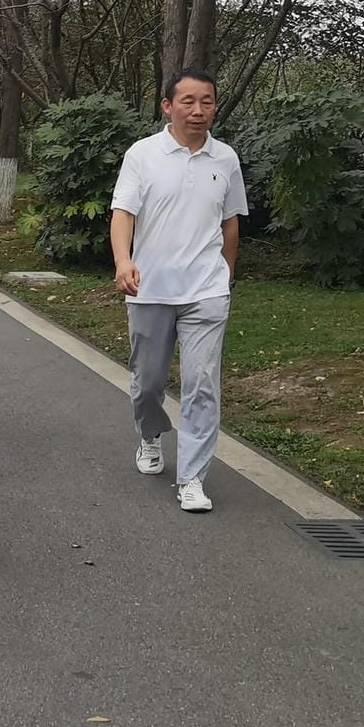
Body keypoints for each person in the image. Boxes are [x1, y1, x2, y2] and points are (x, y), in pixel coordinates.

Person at [109, 68, 248, 515]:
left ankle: (192, 477)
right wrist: (124, 261)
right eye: (188, 101)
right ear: (167, 106)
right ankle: (150, 434)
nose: (198, 110)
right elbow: (123, 213)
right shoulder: (143, 154)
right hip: (150, 288)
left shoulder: (225, 159)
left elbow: (230, 222)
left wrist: (226, 275)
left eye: (206, 101)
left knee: (202, 384)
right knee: (148, 381)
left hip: (206, 289)